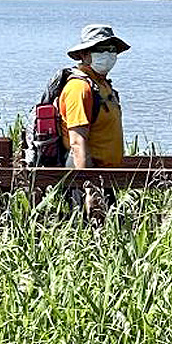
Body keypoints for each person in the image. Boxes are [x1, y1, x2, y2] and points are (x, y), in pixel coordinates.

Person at [59, 23, 130, 214]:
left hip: (106, 179)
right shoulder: (79, 88)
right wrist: (89, 188)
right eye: (100, 49)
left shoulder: (103, 86)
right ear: (84, 54)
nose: (107, 54)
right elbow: (77, 141)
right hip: (85, 181)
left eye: (111, 49)